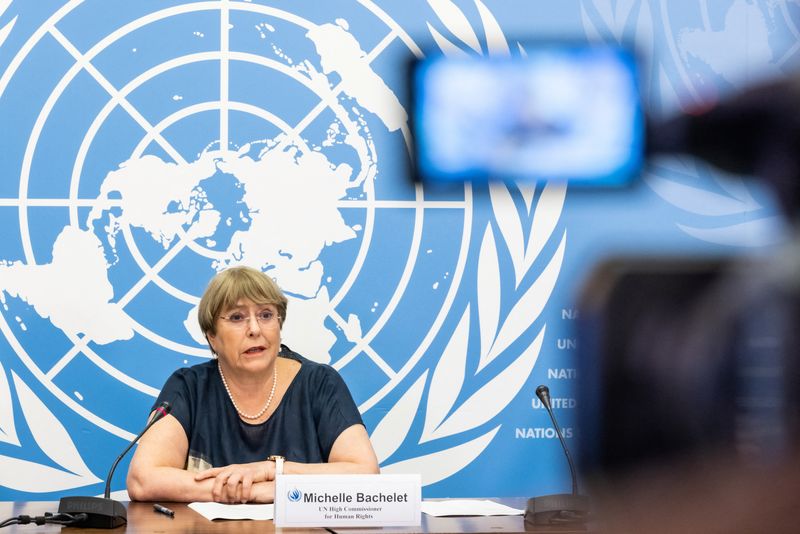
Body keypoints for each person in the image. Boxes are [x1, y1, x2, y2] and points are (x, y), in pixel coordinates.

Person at [126, 266, 379, 503]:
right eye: (237, 317)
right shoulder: (189, 387)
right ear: (212, 337)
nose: (255, 329)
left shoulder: (320, 383)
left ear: (279, 325)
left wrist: (272, 472)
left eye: (266, 315)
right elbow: (142, 479)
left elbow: (365, 474)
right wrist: (254, 491)